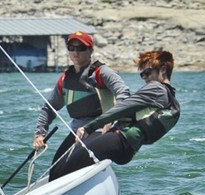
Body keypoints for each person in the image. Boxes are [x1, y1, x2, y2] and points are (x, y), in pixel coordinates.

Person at [48, 49, 181, 180]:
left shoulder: (156, 88)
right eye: (142, 74)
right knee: (66, 164)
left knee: (61, 170)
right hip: (128, 148)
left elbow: (121, 108)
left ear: (163, 69)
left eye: (148, 72)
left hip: (118, 140)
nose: (145, 78)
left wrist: (89, 127)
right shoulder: (169, 96)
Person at [33, 31, 131, 167]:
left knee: (78, 161)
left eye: (81, 48)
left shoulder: (102, 72)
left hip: (100, 130)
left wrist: (110, 120)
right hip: (77, 132)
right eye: (71, 48)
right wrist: (39, 134)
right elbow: (48, 109)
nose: (75, 52)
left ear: (91, 50)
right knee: (56, 167)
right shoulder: (65, 80)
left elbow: (124, 95)